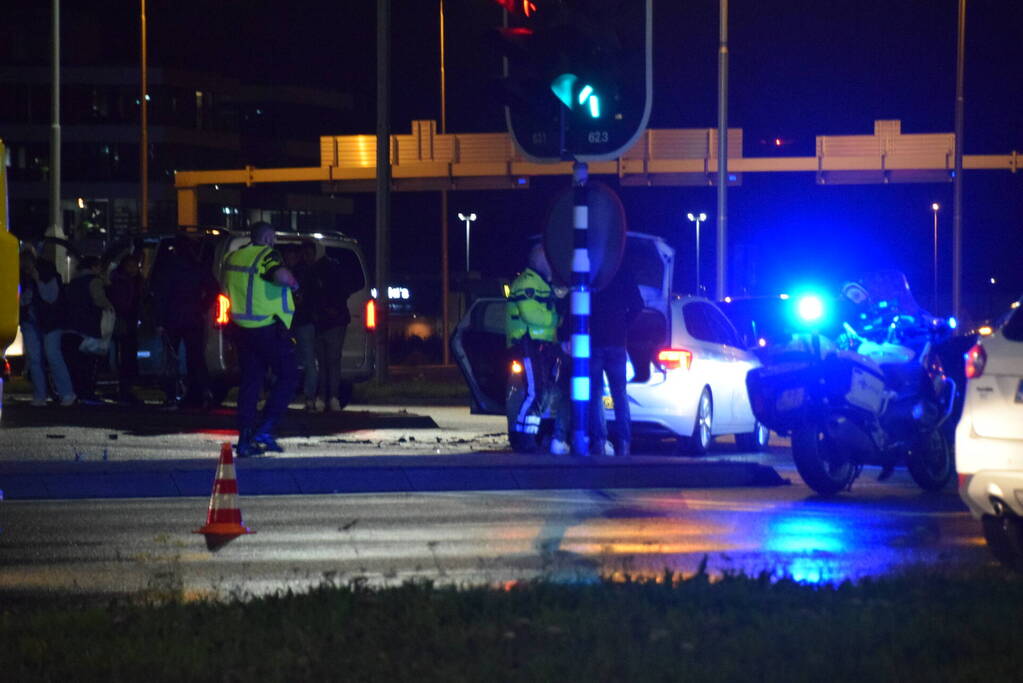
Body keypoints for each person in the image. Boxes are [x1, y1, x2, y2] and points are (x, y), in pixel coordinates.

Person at [223, 222, 299, 457]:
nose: (274, 242)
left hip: (242, 328)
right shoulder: (267, 255)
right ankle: (265, 427)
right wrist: (293, 283)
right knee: (289, 376)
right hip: (267, 328)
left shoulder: (234, 257)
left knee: (251, 382)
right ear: (267, 238)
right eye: (273, 237)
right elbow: (278, 274)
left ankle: (245, 439)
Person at [505, 242, 569, 455]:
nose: (551, 264)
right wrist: (557, 320)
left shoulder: (539, 282)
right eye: (548, 259)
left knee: (540, 394)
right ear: (540, 260)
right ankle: (523, 437)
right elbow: (531, 314)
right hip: (528, 344)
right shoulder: (527, 282)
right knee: (535, 393)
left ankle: (528, 438)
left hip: (539, 346)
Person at [150, 233, 219, 409]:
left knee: (171, 358)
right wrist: (202, 306)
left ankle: (172, 396)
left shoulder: (167, 267)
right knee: (196, 357)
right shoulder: (197, 267)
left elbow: (160, 295)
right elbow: (213, 288)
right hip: (194, 316)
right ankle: (201, 393)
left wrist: (159, 321)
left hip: (171, 317)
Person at [589, 261, 644, 458]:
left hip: (595, 341)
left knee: (595, 393)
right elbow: (638, 305)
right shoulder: (623, 272)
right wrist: (623, 325)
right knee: (619, 394)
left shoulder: (593, 272)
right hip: (617, 342)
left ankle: (600, 441)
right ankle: (624, 443)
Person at [18, 246, 75, 406]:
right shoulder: (29, 275)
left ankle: (62, 393)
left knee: (50, 355)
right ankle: (48, 395)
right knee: (38, 358)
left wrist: (37, 281)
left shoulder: (45, 273)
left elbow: (50, 297)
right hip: (36, 321)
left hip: (48, 321)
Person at [310, 242, 358, 412]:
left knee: (326, 362)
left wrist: (329, 309)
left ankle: (327, 397)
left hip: (330, 322)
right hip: (330, 321)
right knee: (330, 362)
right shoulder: (328, 268)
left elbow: (336, 293)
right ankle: (331, 398)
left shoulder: (322, 270)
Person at [62, 255, 114, 405]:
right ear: (93, 267)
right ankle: (88, 394)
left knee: (76, 365)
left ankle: (79, 393)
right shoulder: (94, 281)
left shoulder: (74, 282)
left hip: (71, 327)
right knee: (89, 363)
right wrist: (110, 307)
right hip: (88, 327)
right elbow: (99, 300)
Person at [107, 249, 145, 405]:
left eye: (135, 266)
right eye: (130, 266)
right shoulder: (122, 281)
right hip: (124, 322)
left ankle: (126, 389)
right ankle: (124, 390)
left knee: (128, 356)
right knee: (126, 356)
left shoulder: (134, 281)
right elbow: (123, 303)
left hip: (130, 322)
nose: (133, 269)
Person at [290, 242, 319, 411]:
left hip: (301, 321)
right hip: (299, 321)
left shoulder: (302, 273)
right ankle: (308, 396)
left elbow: (302, 299)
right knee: (304, 361)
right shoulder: (306, 272)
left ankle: (308, 396)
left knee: (306, 361)